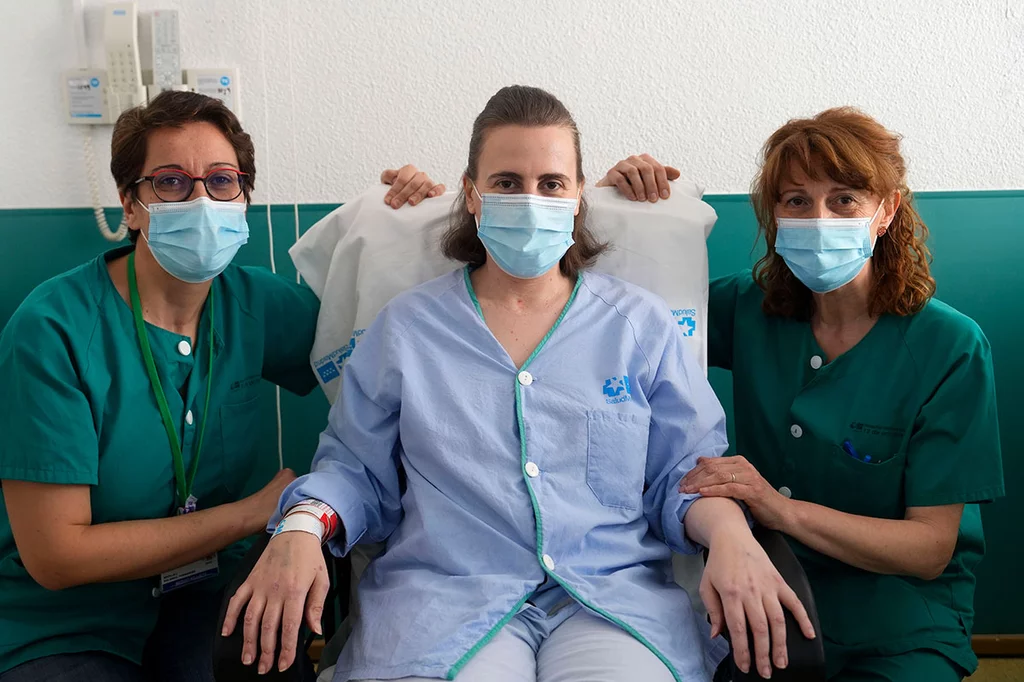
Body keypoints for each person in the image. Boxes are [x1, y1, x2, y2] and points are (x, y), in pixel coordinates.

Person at [221, 85, 815, 682]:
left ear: (579, 196)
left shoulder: (640, 325)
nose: (529, 200)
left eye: (551, 183)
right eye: (506, 183)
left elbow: (685, 474)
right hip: (445, 602)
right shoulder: (407, 327)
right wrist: (302, 527)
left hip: (608, 603)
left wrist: (733, 536)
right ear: (473, 196)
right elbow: (355, 470)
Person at [593, 109, 1005, 681]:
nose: (818, 218)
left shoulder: (949, 346)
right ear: (773, 217)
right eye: (795, 201)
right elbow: (620, 318)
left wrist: (778, 509)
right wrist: (622, 207)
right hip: (768, 590)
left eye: (844, 201)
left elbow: (929, 548)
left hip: (900, 621)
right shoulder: (749, 308)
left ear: (885, 211)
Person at [0, 91, 323, 682]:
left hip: (203, 593)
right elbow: (56, 556)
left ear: (244, 195)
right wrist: (250, 514)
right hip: (65, 620)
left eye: (223, 181)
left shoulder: (256, 304)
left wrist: (409, 217)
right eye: (172, 182)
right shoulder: (53, 329)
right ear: (130, 204)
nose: (202, 200)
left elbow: (383, 365)